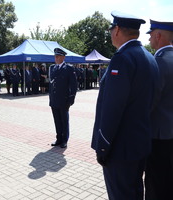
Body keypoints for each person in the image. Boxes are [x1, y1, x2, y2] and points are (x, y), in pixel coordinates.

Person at [91, 11, 159, 200]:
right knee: (135, 193)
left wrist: (102, 146)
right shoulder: (149, 57)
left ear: (118, 30)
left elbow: (112, 108)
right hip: (139, 144)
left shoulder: (122, 58)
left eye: (111, 28)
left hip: (119, 149)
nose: (111, 33)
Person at [145, 20, 173, 200]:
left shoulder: (158, 62)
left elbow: (149, 103)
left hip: (159, 136)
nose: (148, 39)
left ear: (158, 35)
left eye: (150, 34)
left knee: (156, 185)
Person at [49, 48, 77, 148]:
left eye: (58, 56)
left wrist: (71, 99)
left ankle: (64, 140)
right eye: (55, 56)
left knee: (64, 121)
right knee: (57, 120)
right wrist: (50, 99)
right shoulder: (52, 68)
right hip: (54, 100)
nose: (56, 58)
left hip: (64, 100)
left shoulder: (69, 68)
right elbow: (51, 84)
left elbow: (73, 85)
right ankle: (59, 139)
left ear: (63, 57)